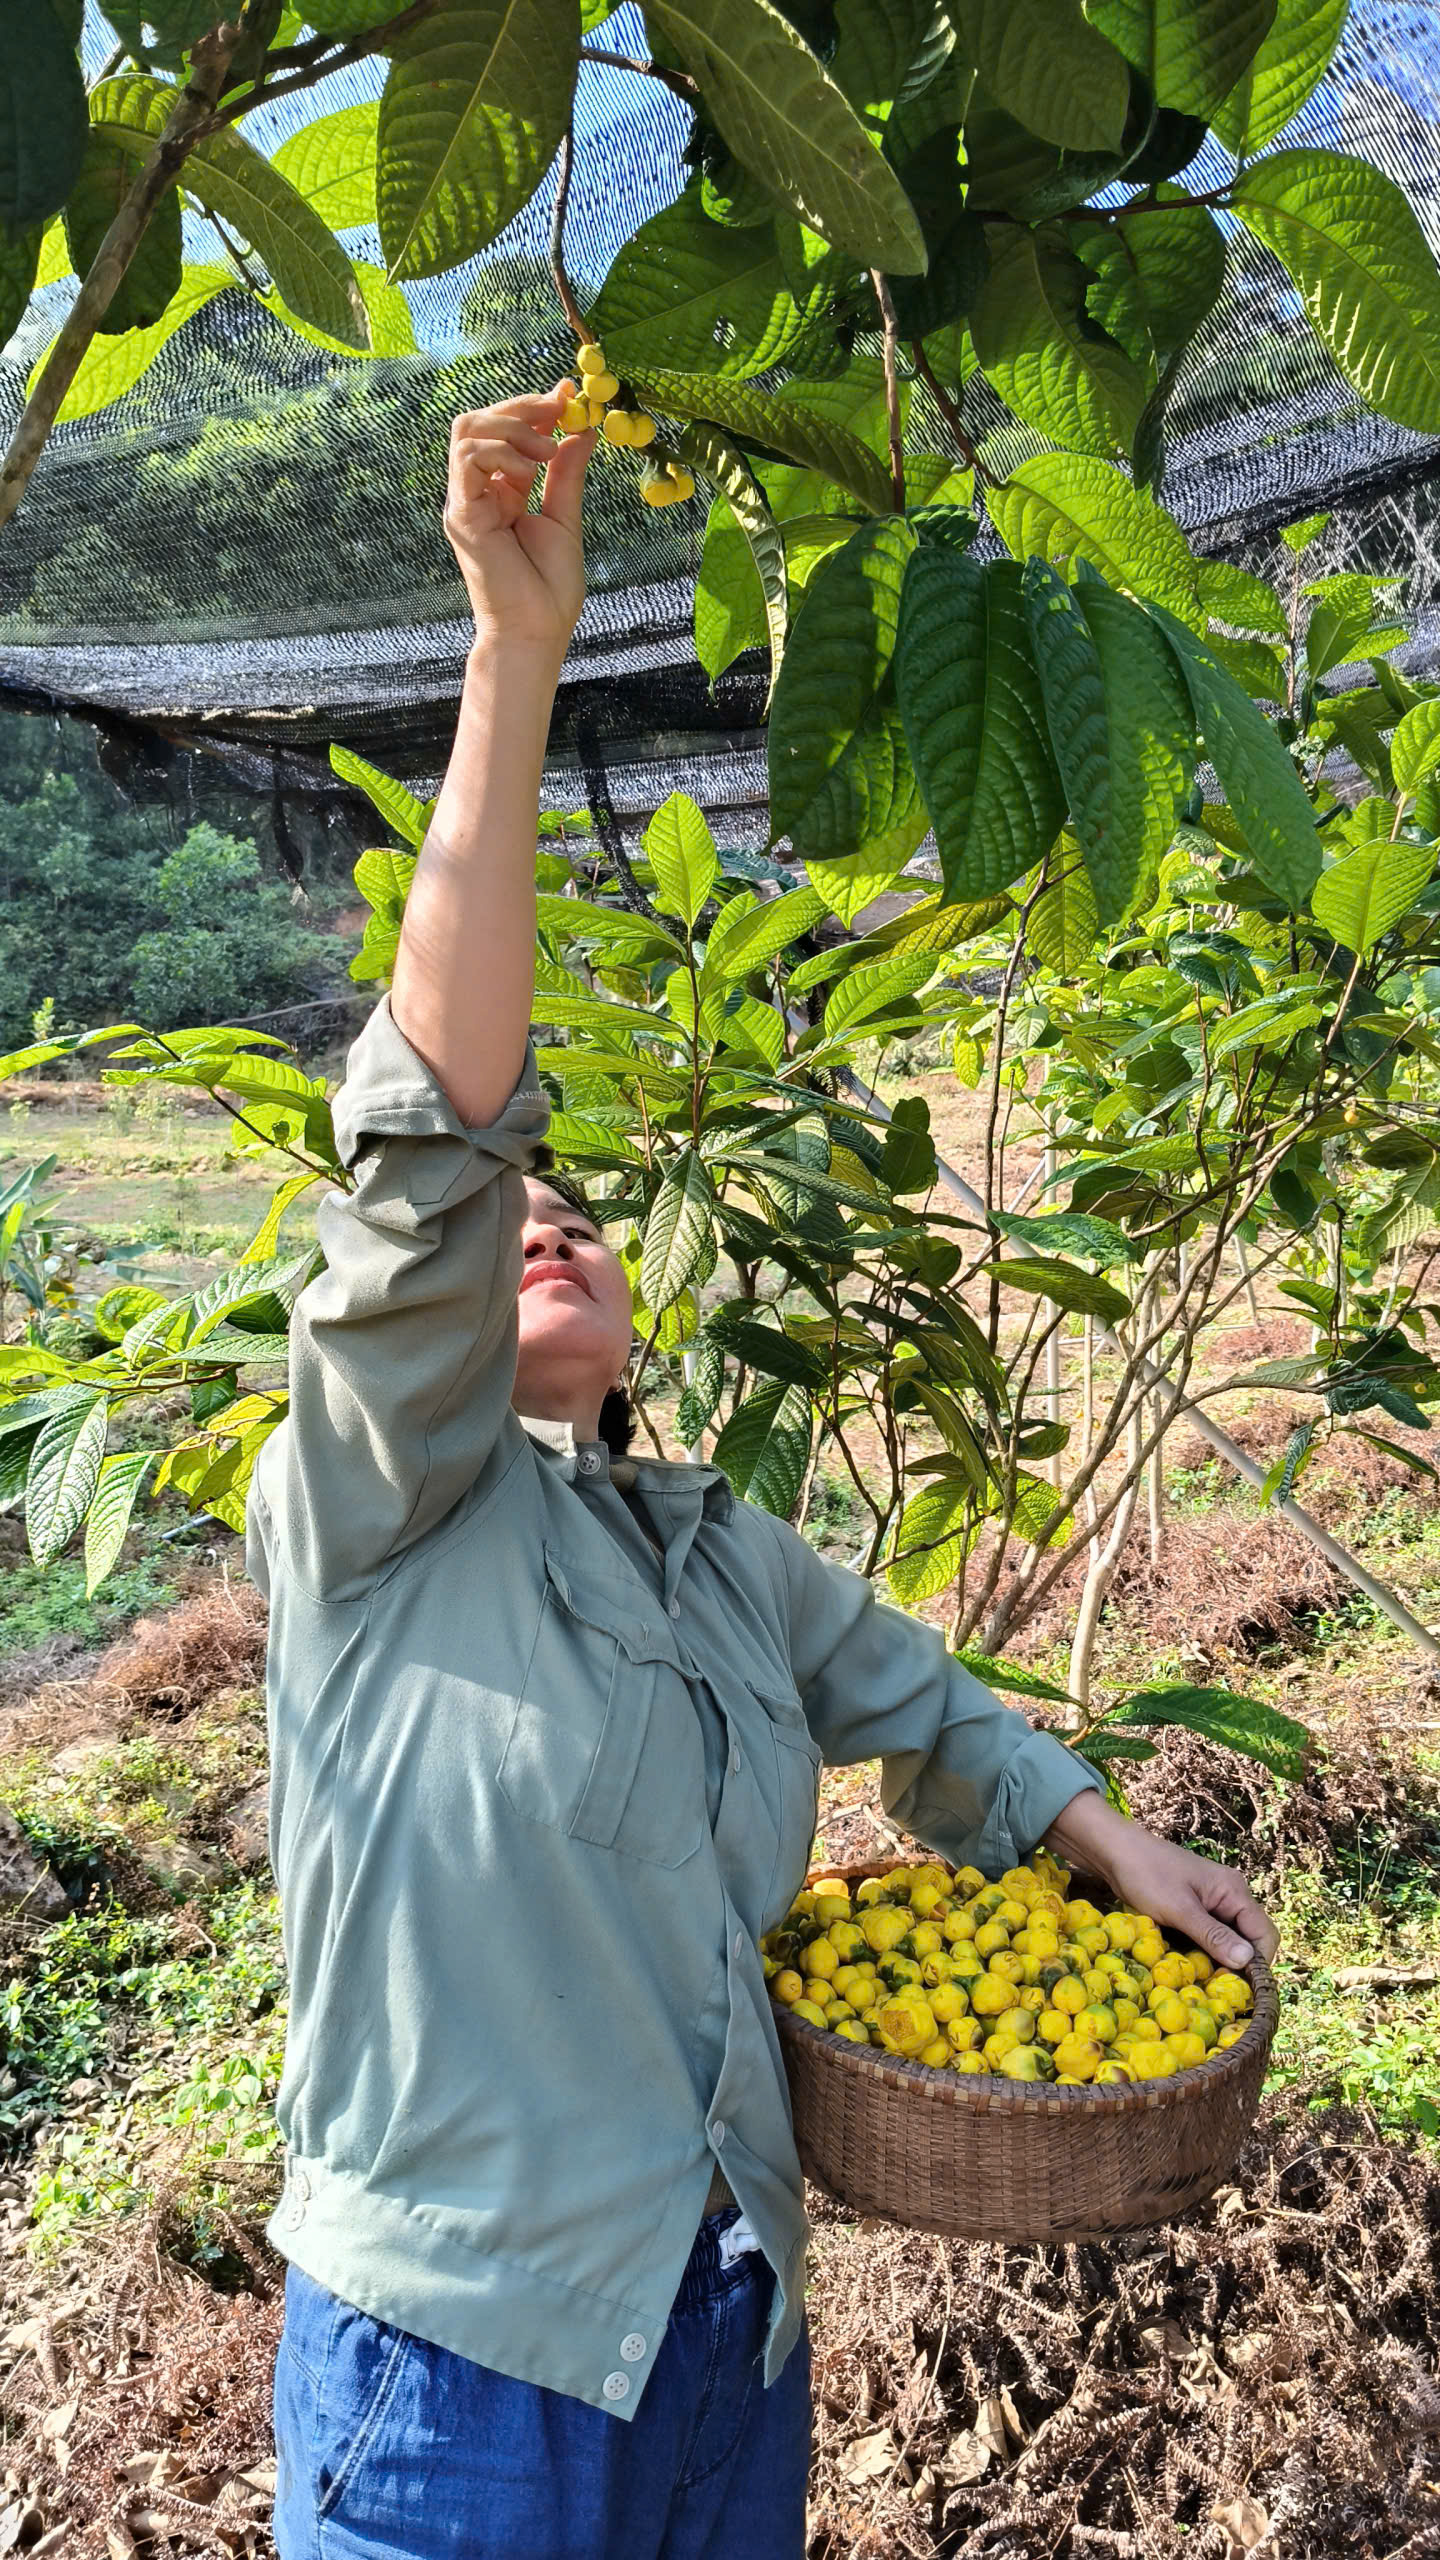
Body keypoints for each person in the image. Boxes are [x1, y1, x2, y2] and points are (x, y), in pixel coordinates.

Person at [251, 378, 1279, 2560]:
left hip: (727, 2337)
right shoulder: (378, 1510)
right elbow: (434, 1143)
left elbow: (925, 1706)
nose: (542, 1225)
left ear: (641, 1324)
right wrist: (515, 653)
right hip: (456, 2371)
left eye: (585, 1224)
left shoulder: (717, 1556)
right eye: (514, 1222)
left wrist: (1115, 1844)